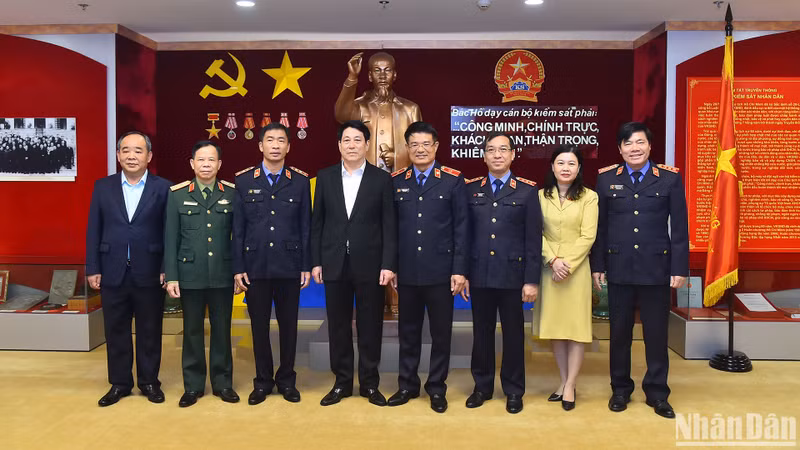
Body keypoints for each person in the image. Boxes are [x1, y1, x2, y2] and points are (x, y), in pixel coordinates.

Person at [590, 122, 689, 420]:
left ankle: (658, 392)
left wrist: (679, 267)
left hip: (656, 269)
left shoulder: (669, 179)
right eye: (628, 143)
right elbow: (601, 228)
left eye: (640, 142)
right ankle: (620, 389)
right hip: (619, 268)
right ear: (620, 149)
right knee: (619, 333)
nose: (635, 148)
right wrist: (598, 266)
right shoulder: (607, 180)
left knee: (656, 334)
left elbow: (680, 228)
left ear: (649, 146)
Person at [311, 120, 398, 407]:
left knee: (370, 324)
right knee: (337, 325)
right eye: (346, 140)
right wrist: (316, 262)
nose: (351, 145)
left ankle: (370, 384)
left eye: (357, 140)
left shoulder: (381, 179)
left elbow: (389, 225)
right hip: (334, 263)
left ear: (367, 144)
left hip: (371, 265)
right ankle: (342, 382)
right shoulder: (324, 177)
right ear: (339, 145)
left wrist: (388, 264)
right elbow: (318, 223)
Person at [386, 122, 468, 413]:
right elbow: (391, 230)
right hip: (407, 272)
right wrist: (392, 266)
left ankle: (436, 387)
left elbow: (461, 227)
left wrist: (459, 269)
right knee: (407, 331)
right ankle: (406, 385)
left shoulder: (453, 180)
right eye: (414, 145)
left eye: (426, 144)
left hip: (441, 272)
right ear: (407, 148)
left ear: (436, 147)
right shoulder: (397, 180)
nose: (420, 150)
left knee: (441, 333)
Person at [85, 131, 171, 407]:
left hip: (150, 270)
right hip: (112, 270)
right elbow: (93, 230)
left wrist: (167, 267)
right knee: (116, 330)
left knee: (149, 330)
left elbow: (171, 233)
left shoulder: (164, 188)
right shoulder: (103, 187)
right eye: (126, 150)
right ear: (118, 155)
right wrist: (93, 267)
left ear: (149, 156)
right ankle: (120, 383)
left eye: (138, 150)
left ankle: (149, 382)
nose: (131, 155)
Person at [232, 122, 312, 405]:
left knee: (289, 326)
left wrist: (305, 264)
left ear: (289, 146)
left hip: (289, 266)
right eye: (270, 140)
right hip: (255, 267)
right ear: (260, 146)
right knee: (258, 327)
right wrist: (238, 267)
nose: (275, 145)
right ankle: (263, 381)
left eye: (281, 140)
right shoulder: (243, 181)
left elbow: (306, 227)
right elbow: (238, 229)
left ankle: (287, 380)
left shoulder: (300, 181)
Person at [464, 131, 542, 414]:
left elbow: (534, 239)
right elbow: (465, 236)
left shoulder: (527, 190)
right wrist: (463, 273)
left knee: (513, 335)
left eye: (503, 150)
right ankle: (481, 387)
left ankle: (513, 390)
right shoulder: (471, 189)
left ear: (512, 155)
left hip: (513, 276)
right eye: (491, 150)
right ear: (484, 156)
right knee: (481, 334)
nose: (497, 155)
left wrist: (531, 280)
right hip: (480, 275)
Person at [164, 140, 239, 407]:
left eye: (211, 160)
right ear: (192, 164)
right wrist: (171, 276)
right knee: (192, 331)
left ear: (219, 164)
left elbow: (238, 237)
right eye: (201, 160)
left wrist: (238, 272)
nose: (206, 164)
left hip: (223, 273)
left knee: (222, 329)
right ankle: (193, 386)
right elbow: (170, 238)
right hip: (190, 274)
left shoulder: (232, 193)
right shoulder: (176, 194)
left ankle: (223, 383)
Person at [533, 145, 598, 411]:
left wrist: (566, 264)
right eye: (561, 163)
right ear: (552, 167)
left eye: (571, 164)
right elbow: (534, 233)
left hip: (576, 270)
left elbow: (588, 236)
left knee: (576, 330)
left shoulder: (589, 197)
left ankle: (571, 384)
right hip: (549, 269)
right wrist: (552, 259)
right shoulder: (538, 196)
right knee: (556, 330)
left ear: (579, 168)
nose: (566, 168)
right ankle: (563, 381)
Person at [334, 51, 422, 173]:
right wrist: (352, 77)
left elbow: (419, 147)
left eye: (387, 70)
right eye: (377, 70)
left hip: (400, 180)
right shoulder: (360, 106)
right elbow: (341, 115)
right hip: (365, 179)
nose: (382, 75)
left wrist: (397, 157)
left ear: (395, 75)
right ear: (370, 76)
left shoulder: (410, 109)